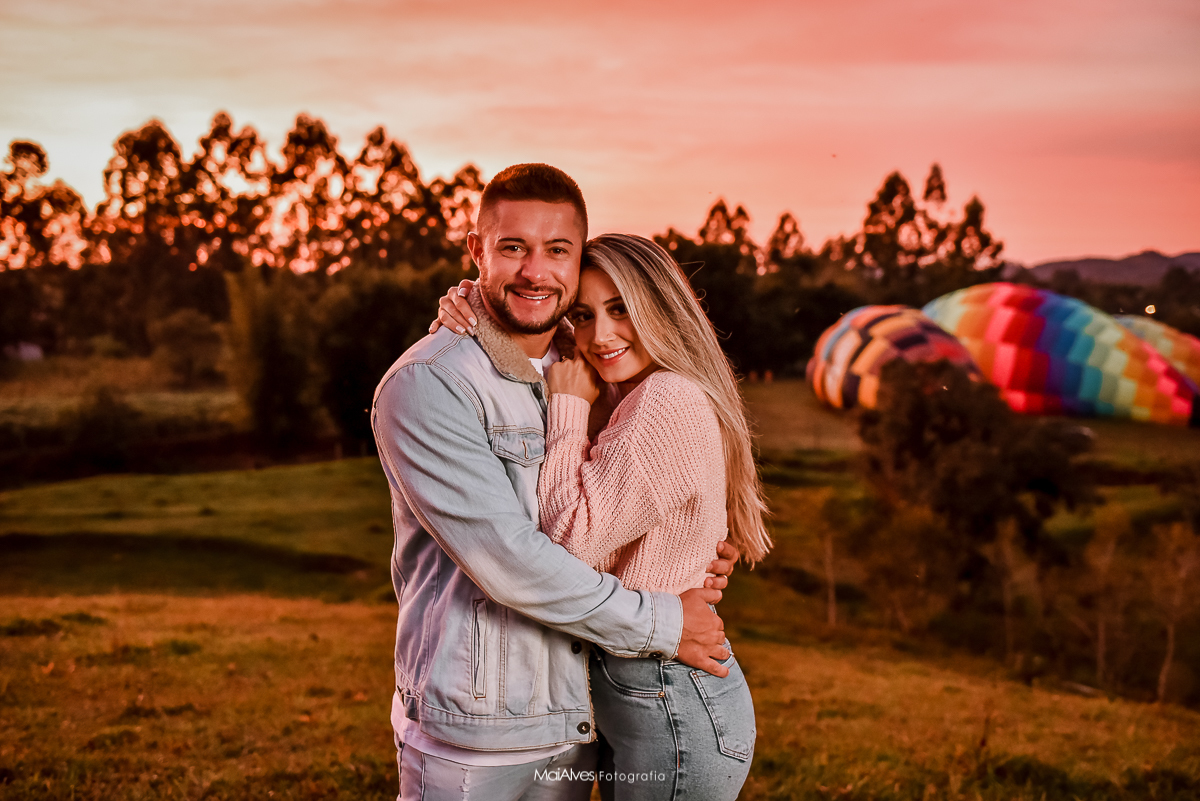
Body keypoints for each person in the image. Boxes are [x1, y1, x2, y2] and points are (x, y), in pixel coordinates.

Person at [372, 163, 738, 801]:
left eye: (557, 250)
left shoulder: (582, 363)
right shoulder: (431, 383)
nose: (535, 271)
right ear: (476, 251)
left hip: (576, 719)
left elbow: (637, 489)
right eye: (512, 247)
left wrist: (695, 547)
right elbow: (513, 561)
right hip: (477, 735)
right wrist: (664, 620)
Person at [434, 233, 770, 800]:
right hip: (648, 691)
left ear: (660, 308)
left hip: (672, 701)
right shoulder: (632, 388)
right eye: (584, 316)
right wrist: (473, 299)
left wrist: (568, 406)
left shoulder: (665, 399)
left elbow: (566, 545)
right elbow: (545, 328)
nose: (599, 336)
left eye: (621, 310)